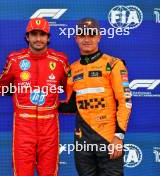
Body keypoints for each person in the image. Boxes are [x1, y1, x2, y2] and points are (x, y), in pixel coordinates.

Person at [0, 18, 70, 175]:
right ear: (27, 37)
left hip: (49, 125)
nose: (38, 39)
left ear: (48, 37)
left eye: (42, 34)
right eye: (34, 34)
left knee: (49, 173)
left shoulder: (60, 60)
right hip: (23, 125)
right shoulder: (15, 59)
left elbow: (71, 87)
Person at [59, 18, 132, 175]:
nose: (87, 39)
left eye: (91, 35)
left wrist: (118, 137)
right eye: (82, 35)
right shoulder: (72, 69)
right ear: (76, 38)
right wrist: (44, 103)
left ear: (99, 36)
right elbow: (72, 105)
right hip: (82, 140)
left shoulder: (113, 64)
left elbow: (125, 101)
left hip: (108, 138)